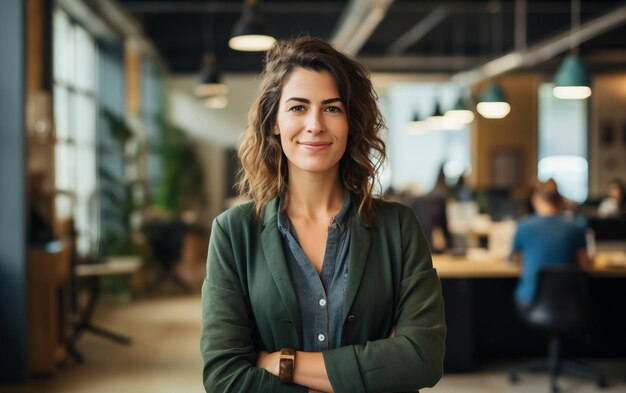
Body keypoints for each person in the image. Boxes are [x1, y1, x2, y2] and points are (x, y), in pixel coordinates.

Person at [200, 37, 446, 393]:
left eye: (332, 108)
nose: (315, 124)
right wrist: (373, 369)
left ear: (351, 122)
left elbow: (422, 358)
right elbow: (224, 377)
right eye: (298, 108)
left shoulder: (398, 227)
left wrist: (285, 363)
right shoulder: (233, 233)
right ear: (274, 122)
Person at [511, 179, 591, 312]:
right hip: (571, 302)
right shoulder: (576, 228)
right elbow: (584, 265)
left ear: (534, 199)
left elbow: (519, 261)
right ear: (560, 201)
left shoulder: (523, 226)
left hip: (531, 302)